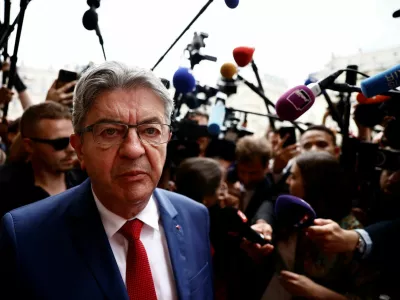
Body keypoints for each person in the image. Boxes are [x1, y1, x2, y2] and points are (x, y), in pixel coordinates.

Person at [0, 61, 213, 300]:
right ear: (79, 148)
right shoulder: (26, 237)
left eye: (150, 130)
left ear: (167, 139)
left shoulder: (195, 216)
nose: (133, 150)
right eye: (110, 131)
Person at [261, 152, 378, 300]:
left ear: (313, 184)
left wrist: (316, 292)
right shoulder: (290, 213)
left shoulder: (350, 234)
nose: (288, 181)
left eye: (294, 177)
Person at [0, 102, 85, 216]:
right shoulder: (6, 189)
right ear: (29, 145)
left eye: (74, 140)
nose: (71, 149)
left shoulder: (88, 182)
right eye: (59, 143)